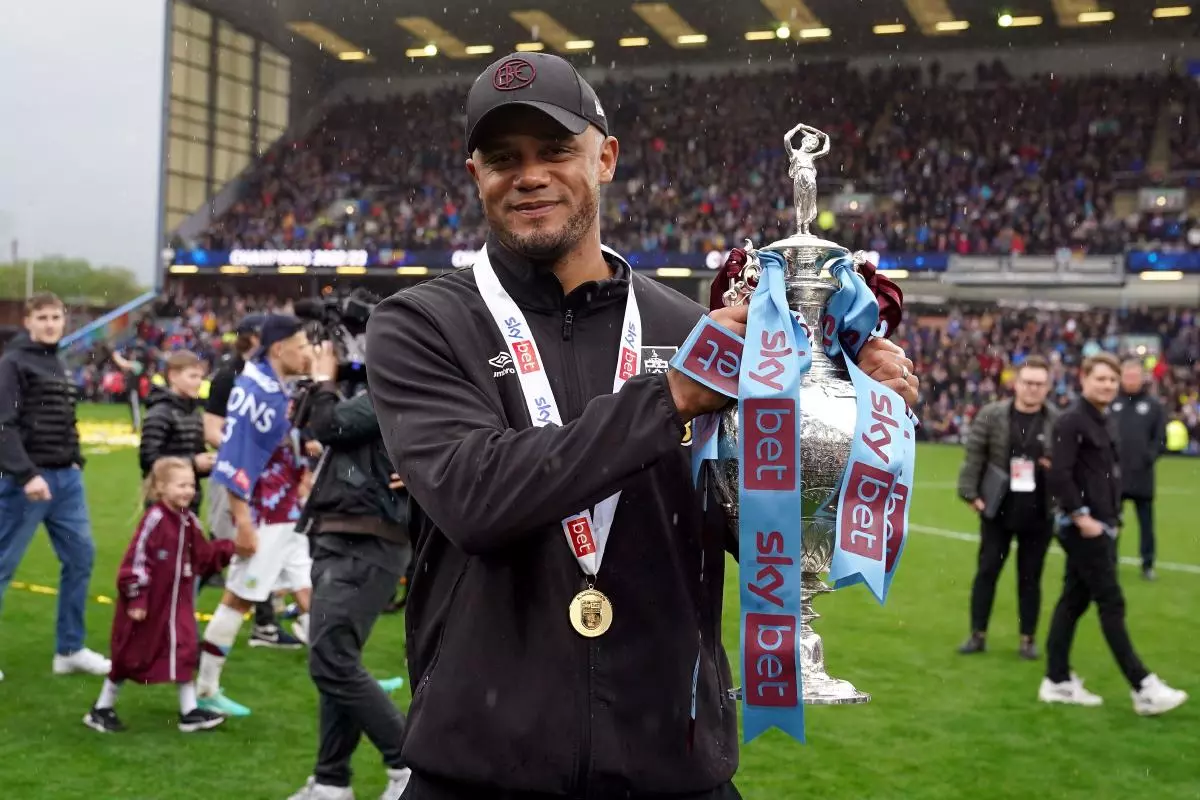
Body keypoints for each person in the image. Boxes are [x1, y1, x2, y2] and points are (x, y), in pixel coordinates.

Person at [365, 52, 919, 799]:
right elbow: (476, 495)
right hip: (482, 768)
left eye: (557, 150)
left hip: (673, 769)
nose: (529, 175)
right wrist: (672, 398)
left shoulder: (686, 326)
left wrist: (854, 431)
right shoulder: (422, 325)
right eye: (503, 159)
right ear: (475, 175)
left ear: (606, 159)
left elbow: (759, 534)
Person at [288, 342, 412, 800]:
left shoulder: (396, 388)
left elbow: (330, 424)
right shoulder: (392, 391)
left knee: (331, 660)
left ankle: (406, 764)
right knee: (337, 657)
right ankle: (331, 779)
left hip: (365, 541)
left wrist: (324, 379)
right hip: (348, 537)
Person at [1040, 353, 1187, 715]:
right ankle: (1142, 687)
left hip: (1102, 524)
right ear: (1083, 378)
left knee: (1073, 602)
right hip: (1083, 528)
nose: (1107, 385)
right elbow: (1060, 474)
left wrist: (1113, 517)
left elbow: (1105, 473)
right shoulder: (1072, 420)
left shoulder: (1103, 418)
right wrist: (1081, 516)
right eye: (1101, 378)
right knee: (1111, 601)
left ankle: (1056, 681)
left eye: (1112, 380)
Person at [196, 315, 315, 717]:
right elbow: (234, 459)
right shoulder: (258, 391)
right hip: (264, 516)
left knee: (307, 591)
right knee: (238, 598)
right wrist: (243, 523)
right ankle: (206, 686)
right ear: (279, 349)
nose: (309, 353)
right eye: (301, 345)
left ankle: (343, 676)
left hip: (287, 512)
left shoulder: (273, 385)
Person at [0, 292, 111, 682]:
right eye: (42, 317)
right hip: (27, 481)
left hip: (67, 481)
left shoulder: (58, 362)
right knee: (1, 565)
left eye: (56, 317)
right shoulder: (13, 362)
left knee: (81, 559)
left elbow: (65, 416)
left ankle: (69, 649)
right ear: (29, 321)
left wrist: (75, 459)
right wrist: (25, 474)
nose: (50, 324)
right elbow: (3, 425)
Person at [83, 457, 234, 733]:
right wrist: (137, 597)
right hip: (148, 607)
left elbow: (202, 555)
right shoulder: (154, 521)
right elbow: (135, 561)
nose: (188, 491)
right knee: (131, 655)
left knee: (185, 649)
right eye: (180, 485)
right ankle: (102, 707)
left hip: (178, 606)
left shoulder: (189, 521)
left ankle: (189, 712)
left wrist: (230, 549)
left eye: (191, 485)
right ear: (161, 488)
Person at [202, 314, 298, 648]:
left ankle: (342, 670)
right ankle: (204, 673)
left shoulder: (279, 382)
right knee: (234, 559)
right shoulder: (232, 377)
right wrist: (250, 448)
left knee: (300, 579)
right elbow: (214, 429)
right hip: (245, 480)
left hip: (281, 494)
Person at [956, 356, 1057, 659]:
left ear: (1048, 387)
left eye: (1039, 384)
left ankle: (1027, 638)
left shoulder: (1057, 420)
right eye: (1028, 382)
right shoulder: (992, 414)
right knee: (987, 572)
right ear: (1016, 383)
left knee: (1030, 578)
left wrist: (1052, 467)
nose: (1032, 389)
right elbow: (975, 455)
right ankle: (977, 634)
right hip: (997, 508)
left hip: (1039, 512)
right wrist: (970, 494)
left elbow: (1068, 464)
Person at [1111, 359, 1165, 581]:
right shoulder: (1112, 403)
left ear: (1143, 378)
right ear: (1121, 378)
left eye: (1135, 376)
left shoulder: (1154, 406)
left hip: (1142, 476)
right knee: (1112, 524)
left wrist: (1148, 457)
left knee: (1146, 524)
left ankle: (1148, 564)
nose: (1131, 380)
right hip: (1114, 476)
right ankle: (1109, 562)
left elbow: (1160, 439)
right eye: (1127, 376)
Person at [139, 351, 212, 512]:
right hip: (164, 499)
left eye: (201, 377)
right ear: (173, 376)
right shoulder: (160, 413)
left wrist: (210, 463)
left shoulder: (194, 412)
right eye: (192, 377)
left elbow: (195, 451)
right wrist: (194, 463)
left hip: (190, 498)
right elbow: (149, 458)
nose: (199, 382)